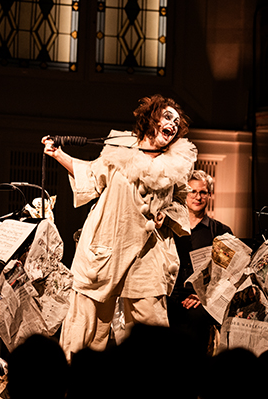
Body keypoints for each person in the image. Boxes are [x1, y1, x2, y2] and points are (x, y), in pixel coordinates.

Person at [42, 94, 197, 359]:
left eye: (177, 122)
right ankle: (72, 389)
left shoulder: (175, 167)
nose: (173, 123)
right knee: (87, 326)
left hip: (147, 256)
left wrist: (167, 215)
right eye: (167, 116)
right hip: (106, 249)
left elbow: (182, 205)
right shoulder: (119, 152)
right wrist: (59, 154)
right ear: (152, 118)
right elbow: (89, 177)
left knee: (152, 327)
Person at [168, 169, 232, 356]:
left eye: (202, 192)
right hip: (170, 295)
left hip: (202, 299)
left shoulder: (220, 232)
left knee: (196, 321)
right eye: (192, 191)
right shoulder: (170, 228)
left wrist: (202, 297)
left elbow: (227, 274)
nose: (197, 197)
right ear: (184, 194)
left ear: (209, 195)